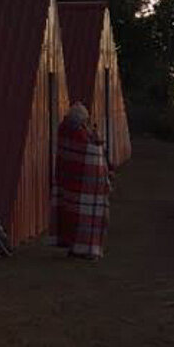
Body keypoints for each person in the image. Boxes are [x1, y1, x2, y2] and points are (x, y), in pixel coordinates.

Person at [53, 103, 111, 260]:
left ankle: (74, 247)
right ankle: (87, 250)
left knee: (71, 217)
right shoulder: (78, 134)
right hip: (85, 186)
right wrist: (96, 139)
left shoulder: (63, 130)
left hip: (69, 183)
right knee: (87, 218)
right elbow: (90, 149)